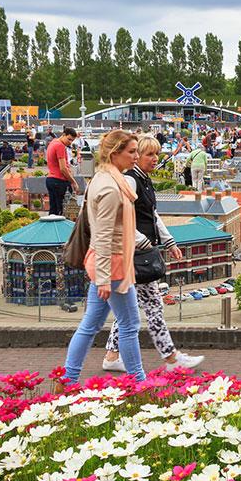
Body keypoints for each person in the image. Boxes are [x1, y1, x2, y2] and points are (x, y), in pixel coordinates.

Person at [103, 135, 204, 373]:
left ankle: (112, 355)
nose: (154, 159)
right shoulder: (132, 180)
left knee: (128, 310)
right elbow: (119, 216)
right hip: (137, 254)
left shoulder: (143, 180)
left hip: (138, 252)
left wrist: (169, 242)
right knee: (153, 307)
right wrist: (143, 241)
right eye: (149, 154)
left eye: (156, 154)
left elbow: (152, 215)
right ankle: (171, 358)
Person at [63, 130, 146, 386]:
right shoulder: (111, 187)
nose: (136, 156)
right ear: (115, 153)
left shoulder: (101, 178)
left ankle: (69, 377)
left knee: (91, 324)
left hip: (105, 264)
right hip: (113, 265)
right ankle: (139, 382)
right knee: (130, 324)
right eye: (131, 152)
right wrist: (103, 278)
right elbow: (103, 234)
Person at [46, 127, 80, 216]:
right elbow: (63, 168)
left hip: (51, 179)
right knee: (63, 212)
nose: (70, 142)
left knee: (53, 212)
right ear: (63, 135)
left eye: (72, 141)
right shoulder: (60, 146)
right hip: (59, 180)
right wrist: (74, 182)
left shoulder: (53, 142)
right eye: (69, 139)